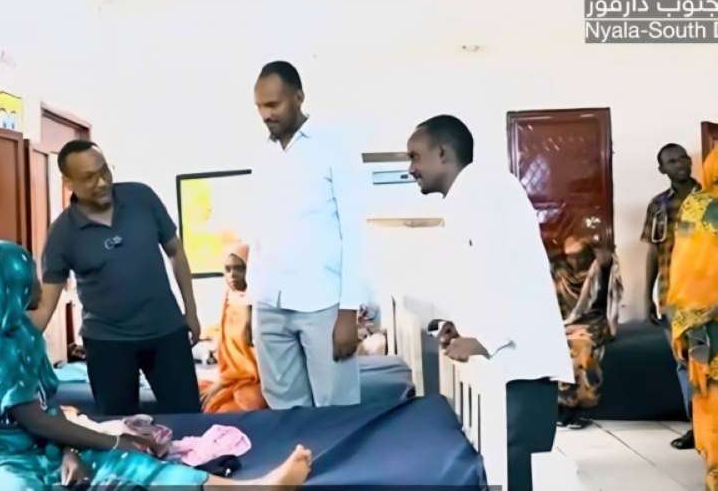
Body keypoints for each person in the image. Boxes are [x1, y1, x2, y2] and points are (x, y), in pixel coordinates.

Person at [0, 240, 314, 490]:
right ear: (7, 286)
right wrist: (111, 439)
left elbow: (48, 410)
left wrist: (71, 451)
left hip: (36, 449)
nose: (39, 286)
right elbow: (37, 421)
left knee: (130, 464)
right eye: (29, 277)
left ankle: (257, 488)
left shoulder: (21, 333)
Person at [406, 115, 573, 491]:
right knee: (500, 472)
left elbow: (516, 274)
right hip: (503, 366)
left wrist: (484, 339)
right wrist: (458, 324)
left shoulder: (490, 190)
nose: (411, 168)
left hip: (522, 368)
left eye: (415, 156)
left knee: (519, 476)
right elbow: (482, 278)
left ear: (443, 153)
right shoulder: (465, 198)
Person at [30, 140, 201, 416]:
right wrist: (6, 342)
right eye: (89, 177)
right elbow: (46, 307)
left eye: (104, 171)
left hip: (167, 334)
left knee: (189, 419)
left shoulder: (141, 198)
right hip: (108, 345)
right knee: (118, 427)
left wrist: (191, 311)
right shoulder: (62, 234)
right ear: (68, 182)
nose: (101, 182)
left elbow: (176, 252)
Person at [247, 60, 365, 409]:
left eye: (273, 104)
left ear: (298, 97)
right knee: (283, 410)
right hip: (270, 304)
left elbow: (355, 232)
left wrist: (349, 311)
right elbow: (259, 231)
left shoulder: (334, 147)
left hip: (322, 303)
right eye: (260, 107)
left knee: (337, 409)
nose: (266, 115)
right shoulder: (262, 155)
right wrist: (252, 302)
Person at [642, 143, 701, 449]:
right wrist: (647, 297)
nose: (680, 164)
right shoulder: (658, 206)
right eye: (672, 161)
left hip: (707, 298)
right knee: (684, 363)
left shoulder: (710, 200)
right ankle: (697, 427)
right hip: (672, 298)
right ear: (662, 169)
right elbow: (654, 252)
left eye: (682, 159)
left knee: (710, 363)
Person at [667, 150, 718, 491]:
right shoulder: (699, 206)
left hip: (705, 322)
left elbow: (683, 265)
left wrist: (684, 319)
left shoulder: (697, 206)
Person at [552, 236, 623, 429]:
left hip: (593, 322)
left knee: (580, 348)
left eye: (579, 256)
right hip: (565, 324)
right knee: (557, 346)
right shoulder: (560, 273)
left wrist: (604, 265)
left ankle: (582, 409)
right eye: (570, 257)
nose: (575, 261)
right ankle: (563, 406)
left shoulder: (599, 270)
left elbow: (608, 294)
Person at [200, 243, 267, 413]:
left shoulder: (260, 303)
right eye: (227, 269)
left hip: (254, 380)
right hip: (228, 377)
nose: (232, 275)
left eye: (239, 268)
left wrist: (224, 381)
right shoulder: (229, 299)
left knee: (234, 408)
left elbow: (256, 362)